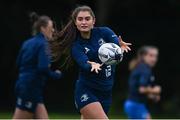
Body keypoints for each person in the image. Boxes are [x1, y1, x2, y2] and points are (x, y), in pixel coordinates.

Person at [51, 5, 131, 119]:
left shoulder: (105, 32)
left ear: (93, 21)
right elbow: (83, 62)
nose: (84, 22)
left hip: (106, 92)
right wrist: (91, 64)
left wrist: (119, 46)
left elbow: (115, 44)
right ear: (75, 22)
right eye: (80, 19)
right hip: (87, 91)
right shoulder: (76, 46)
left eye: (87, 19)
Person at [13, 12, 62, 119]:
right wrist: (56, 75)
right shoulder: (44, 44)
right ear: (43, 28)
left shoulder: (27, 43)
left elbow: (18, 63)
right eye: (51, 27)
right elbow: (43, 68)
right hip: (30, 88)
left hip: (25, 86)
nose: (53, 30)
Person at [124, 46, 161, 119]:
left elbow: (137, 89)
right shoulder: (145, 69)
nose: (154, 59)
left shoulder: (141, 67)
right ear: (144, 56)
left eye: (155, 56)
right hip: (136, 104)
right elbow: (142, 89)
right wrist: (155, 90)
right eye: (151, 55)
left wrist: (152, 96)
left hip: (133, 104)